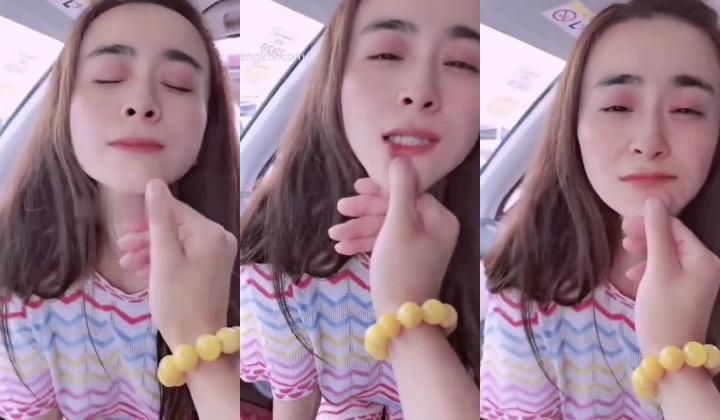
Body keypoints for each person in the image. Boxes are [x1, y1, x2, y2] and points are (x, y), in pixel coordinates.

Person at [238, 0, 480, 418]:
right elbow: (295, 401)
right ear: (335, 80)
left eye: (462, 64)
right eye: (386, 54)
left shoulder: (500, 267)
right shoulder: (277, 240)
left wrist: (408, 307)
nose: (420, 92)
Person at [0, 0, 240, 419]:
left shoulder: (244, 261)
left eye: (179, 85)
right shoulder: (15, 272)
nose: (141, 103)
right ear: (65, 106)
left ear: (209, 122)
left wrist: (202, 340)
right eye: (108, 77)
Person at [480, 0, 720, 418]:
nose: (649, 142)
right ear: (574, 125)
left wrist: (679, 362)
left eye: (687, 110)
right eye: (617, 107)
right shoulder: (529, 286)